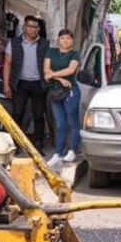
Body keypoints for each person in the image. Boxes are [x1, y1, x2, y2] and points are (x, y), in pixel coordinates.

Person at [4, 17, 49, 150]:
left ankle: (38, 144)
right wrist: (6, 84)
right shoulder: (14, 43)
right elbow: (7, 64)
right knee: (18, 113)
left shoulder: (45, 44)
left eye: (36, 27)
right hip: (20, 83)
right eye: (30, 26)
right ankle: (15, 143)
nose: (33, 29)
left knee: (39, 115)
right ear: (24, 27)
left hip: (38, 83)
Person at [45, 29, 81, 166]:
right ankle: (58, 153)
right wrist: (60, 79)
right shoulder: (51, 52)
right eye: (62, 38)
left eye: (68, 38)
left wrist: (53, 75)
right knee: (59, 124)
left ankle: (72, 150)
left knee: (72, 122)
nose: (65, 41)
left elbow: (70, 70)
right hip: (55, 91)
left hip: (70, 91)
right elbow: (45, 70)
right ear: (58, 40)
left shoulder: (74, 54)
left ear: (72, 41)